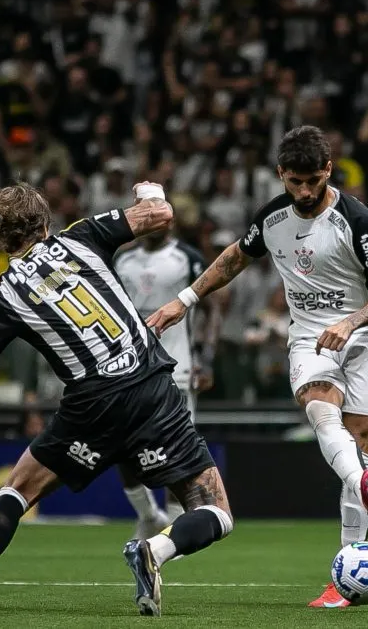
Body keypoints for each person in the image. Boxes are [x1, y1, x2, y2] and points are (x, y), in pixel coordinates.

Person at [0, 183, 232, 617]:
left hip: (91, 407)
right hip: (151, 390)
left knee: (17, 491)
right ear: (46, 222)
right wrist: (150, 188)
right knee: (215, 511)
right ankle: (156, 549)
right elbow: (160, 213)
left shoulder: (2, 295)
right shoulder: (82, 235)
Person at [148, 126, 368, 608]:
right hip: (309, 337)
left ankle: (344, 577)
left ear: (328, 170)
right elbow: (233, 259)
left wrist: (351, 321)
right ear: (281, 174)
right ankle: (363, 484)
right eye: (295, 182)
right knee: (320, 409)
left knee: (358, 446)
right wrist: (184, 300)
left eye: (313, 181)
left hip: (365, 337)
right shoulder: (272, 217)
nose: (305, 192)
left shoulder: (356, 219)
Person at [114, 223, 218, 534]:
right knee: (121, 445)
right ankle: (148, 516)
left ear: (169, 221)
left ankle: (174, 527)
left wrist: (206, 358)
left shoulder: (187, 258)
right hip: (130, 368)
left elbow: (212, 308)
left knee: (178, 447)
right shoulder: (122, 260)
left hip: (178, 367)